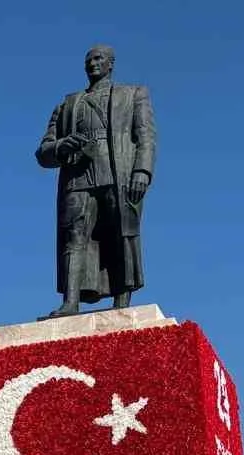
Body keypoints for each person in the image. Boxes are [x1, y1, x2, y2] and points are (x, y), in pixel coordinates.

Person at [34, 44, 155, 318]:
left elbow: (145, 137)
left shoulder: (133, 94)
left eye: (98, 59)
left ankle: (122, 303)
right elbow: (43, 152)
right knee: (73, 236)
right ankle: (70, 303)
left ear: (111, 64)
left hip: (118, 172)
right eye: (88, 60)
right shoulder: (67, 104)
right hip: (78, 176)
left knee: (121, 233)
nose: (93, 64)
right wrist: (63, 145)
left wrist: (142, 171)